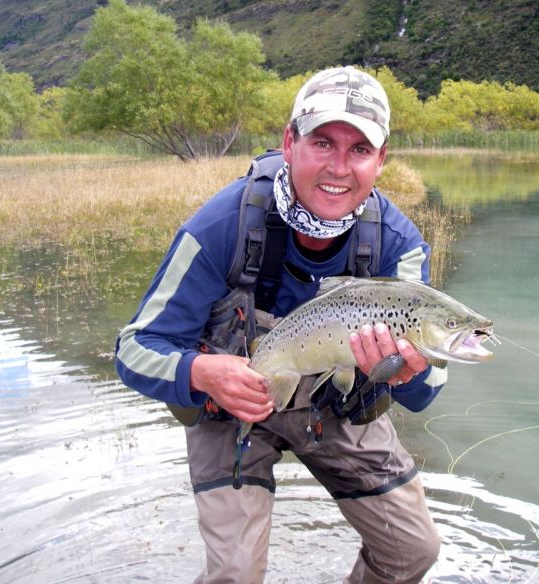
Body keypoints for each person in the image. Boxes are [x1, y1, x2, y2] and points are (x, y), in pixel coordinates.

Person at [115, 66, 446, 583]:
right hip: (231, 408)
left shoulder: (398, 246)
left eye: (359, 150)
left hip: (338, 407)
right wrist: (203, 373)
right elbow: (135, 348)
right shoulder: (219, 226)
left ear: (381, 160)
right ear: (289, 143)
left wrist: (407, 372)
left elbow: (428, 389)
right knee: (235, 575)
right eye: (323, 143)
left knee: (413, 549)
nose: (339, 167)